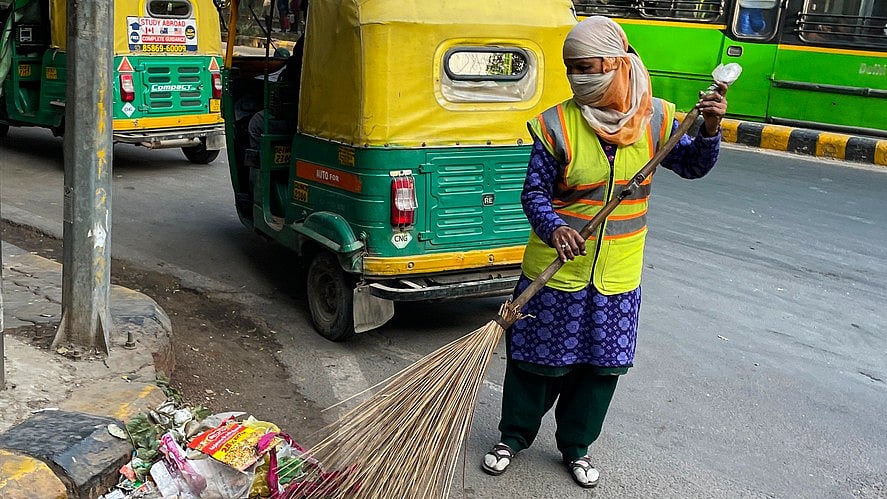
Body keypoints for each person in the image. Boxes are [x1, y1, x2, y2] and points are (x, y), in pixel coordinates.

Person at [480, 16, 728, 489]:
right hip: (554, 275)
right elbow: (534, 193)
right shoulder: (556, 123)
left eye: (588, 67)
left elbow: (694, 166)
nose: (579, 78)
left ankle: (577, 447)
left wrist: (712, 126)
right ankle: (512, 437)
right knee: (534, 361)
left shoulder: (658, 119)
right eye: (571, 69)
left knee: (599, 368)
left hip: (616, 277)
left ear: (617, 63)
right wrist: (554, 229)